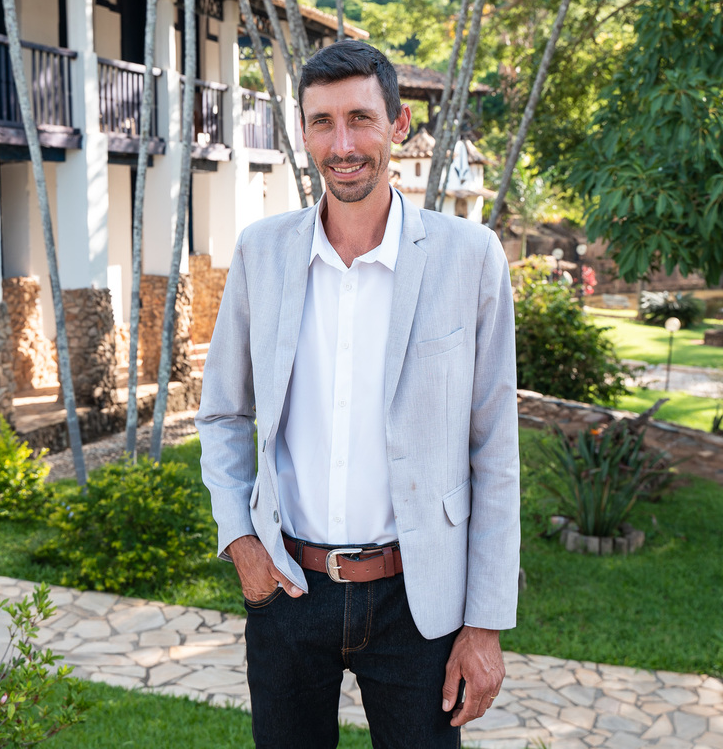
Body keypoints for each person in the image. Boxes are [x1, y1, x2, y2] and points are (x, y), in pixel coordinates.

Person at [196, 39, 520, 748]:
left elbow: (495, 450)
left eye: (360, 119)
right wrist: (241, 540)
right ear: (304, 131)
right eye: (323, 122)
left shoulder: (470, 258)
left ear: (397, 124)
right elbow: (223, 410)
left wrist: (485, 624)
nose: (342, 145)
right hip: (287, 588)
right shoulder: (261, 252)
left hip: (419, 601)